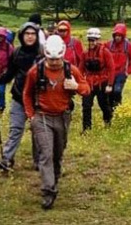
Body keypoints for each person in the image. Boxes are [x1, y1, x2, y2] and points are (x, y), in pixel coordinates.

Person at [23, 35, 90, 210]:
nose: (53, 63)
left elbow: (86, 89)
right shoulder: (35, 71)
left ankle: (55, 177)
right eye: (50, 59)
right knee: (46, 153)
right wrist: (31, 115)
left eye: (57, 59)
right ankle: (48, 191)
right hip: (42, 116)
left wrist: (76, 87)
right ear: (45, 55)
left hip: (62, 116)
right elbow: (27, 94)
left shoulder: (71, 70)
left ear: (62, 55)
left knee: (57, 153)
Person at [0, 22, 43, 171]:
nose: (30, 37)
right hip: (19, 97)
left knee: (37, 132)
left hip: (38, 99)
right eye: (27, 34)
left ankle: (39, 162)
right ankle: (7, 159)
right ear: (21, 36)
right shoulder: (17, 52)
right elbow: (10, 73)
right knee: (16, 129)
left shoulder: (42, 53)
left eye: (33, 34)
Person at [80, 27, 115, 132]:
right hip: (89, 83)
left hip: (102, 82)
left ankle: (108, 123)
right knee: (86, 105)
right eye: (90, 40)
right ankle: (86, 129)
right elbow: (80, 69)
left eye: (94, 40)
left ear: (98, 40)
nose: (92, 42)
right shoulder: (85, 53)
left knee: (103, 105)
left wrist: (110, 84)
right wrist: (79, 83)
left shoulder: (105, 52)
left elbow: (111, 68)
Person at [107, 23, 131, 109]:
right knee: (109, 92)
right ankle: (111, 109)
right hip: (109, 73)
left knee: (117, 91)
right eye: (116, 35)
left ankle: (117, 106)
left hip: (121, 73)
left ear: (123, 36)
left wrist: (128, 71)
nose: (117, 37)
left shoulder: (129, 46)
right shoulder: (108, 45)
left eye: (120, 35)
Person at [0, 27, 14, 113]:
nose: (0, 37)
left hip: (3, 73)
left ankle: (2, 106)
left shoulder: (9, 47)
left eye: (2, 36)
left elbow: (12, 60)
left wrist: (8, 70)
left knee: (1, 91)